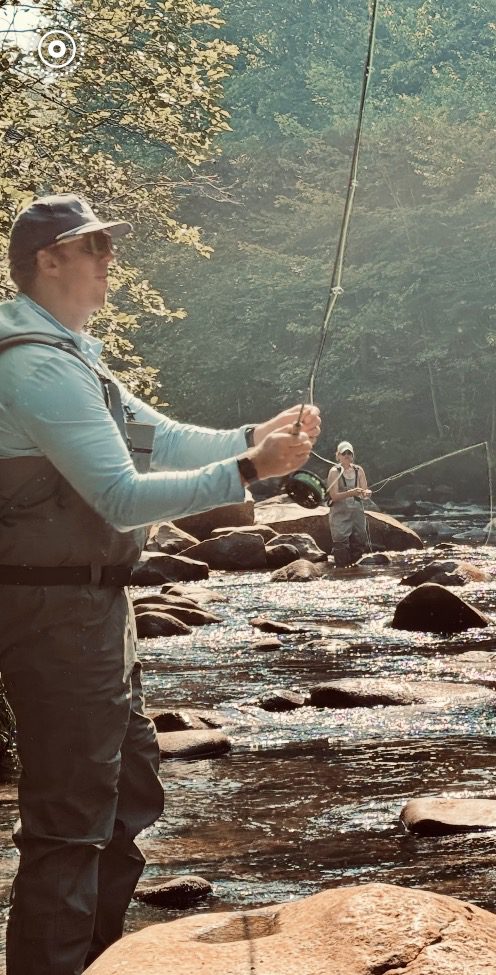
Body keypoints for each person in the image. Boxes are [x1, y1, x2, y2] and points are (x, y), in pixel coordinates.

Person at [0, 193, 322, 974]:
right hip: (53, 612)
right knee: (72, 821)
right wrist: (247, 470)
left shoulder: (75, 355)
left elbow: (163, 439)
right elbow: (121, 495)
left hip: (93, 605)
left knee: (129, 792)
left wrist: (253, 436)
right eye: (94, 245)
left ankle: (98, 959)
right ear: (48, 260)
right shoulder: (37, 367)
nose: (110, 257)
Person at [326, 440, 371, 565]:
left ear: (353, 455)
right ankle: (342, 571)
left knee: (359, 541)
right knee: (341, 545)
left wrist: (367, 493)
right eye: (343, 453)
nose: (346, 455)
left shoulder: (359, 470)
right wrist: (351, 493)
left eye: (349, 453)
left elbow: (364, 492)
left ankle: (355, 571)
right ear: (338, 456)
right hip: (339, 514)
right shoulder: (334, 471)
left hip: (357, 513)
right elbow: (334, 496)